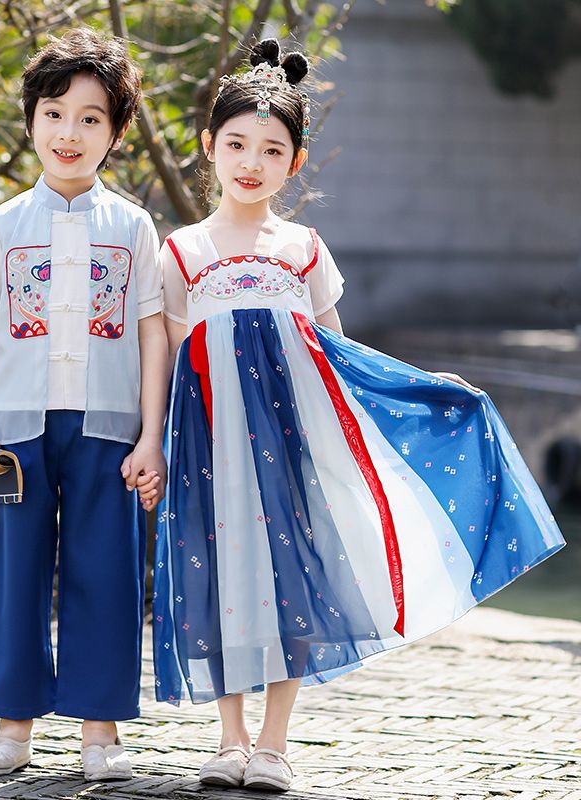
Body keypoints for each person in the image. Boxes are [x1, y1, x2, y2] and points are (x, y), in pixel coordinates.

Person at [146, 38, 565, 793]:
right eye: (236, 143)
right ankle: (229, 739)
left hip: (292, 439)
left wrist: (415, 385)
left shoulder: (303, 248)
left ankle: (274, 743)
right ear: (208, 147)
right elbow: (169, 357)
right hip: (210, 445)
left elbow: (340, 354)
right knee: (223, 579)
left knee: (294, 579)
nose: (251, 161)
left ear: (294, 162)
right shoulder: (182, 252)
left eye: (271, 149)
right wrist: (155, 442)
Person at [0, 28, 167, 780]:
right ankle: (13, 729)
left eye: (91, 118)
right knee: (14, 574)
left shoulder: (133, 227)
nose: (69, 133)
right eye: (54, 113)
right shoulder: (4, 225)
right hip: (16, 431)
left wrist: (153, 438)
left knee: (106, 575)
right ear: (31, 119)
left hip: (110, 431)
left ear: (116, 132)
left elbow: (151, 337)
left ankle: (99, 735)